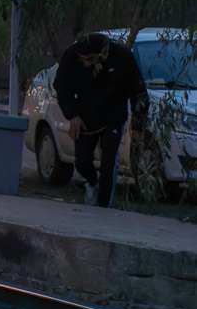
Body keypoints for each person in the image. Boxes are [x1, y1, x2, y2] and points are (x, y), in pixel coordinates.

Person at [54, 33, 149, 207]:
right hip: (86, 116)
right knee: (82, 162)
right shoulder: (71, 56)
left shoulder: (123, 57)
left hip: (113, 116)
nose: (85, 63)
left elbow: (139, 94)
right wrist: (72, 114)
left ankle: (103, 207)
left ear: (101, 54)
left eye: (89, 59)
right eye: (82, 59)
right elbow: (62, 88)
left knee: (108, 162)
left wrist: (138, 126)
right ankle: (92, 184)